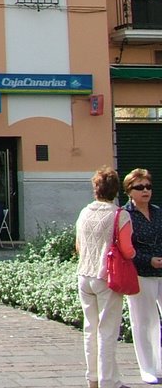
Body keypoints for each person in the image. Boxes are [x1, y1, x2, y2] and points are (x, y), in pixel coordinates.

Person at [76, 165, 134, 388]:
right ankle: (108, 382)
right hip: (107, 277)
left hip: (84, 274)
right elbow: (128, 250)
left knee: (90, 329)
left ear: (95, 189)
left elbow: (79, 245)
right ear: (116, 190)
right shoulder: (120, 215)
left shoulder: (84, 212)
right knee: (108, 331)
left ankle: (93, 378)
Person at [123, 168, 162, 384]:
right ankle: (147, 368)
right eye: (140, 187)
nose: (145, 190)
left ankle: (159, 364)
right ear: (130, 191)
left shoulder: (158, 212)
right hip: (140, 273)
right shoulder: (125, 215)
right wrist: (148, 260)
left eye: (148, 186)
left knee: (158, 322)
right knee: (143, 322)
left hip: (161, 272)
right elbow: (126, 248)